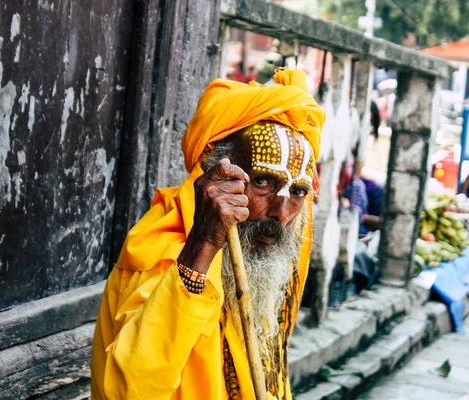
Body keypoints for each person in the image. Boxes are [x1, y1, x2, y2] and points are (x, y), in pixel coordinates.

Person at [90, 70, 325, 400]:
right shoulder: (160, 250)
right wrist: (202, 245)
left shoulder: (263, 256)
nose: (281, 213)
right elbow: (128, 392)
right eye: (262, 182)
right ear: (218, 174)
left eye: (298, 191)